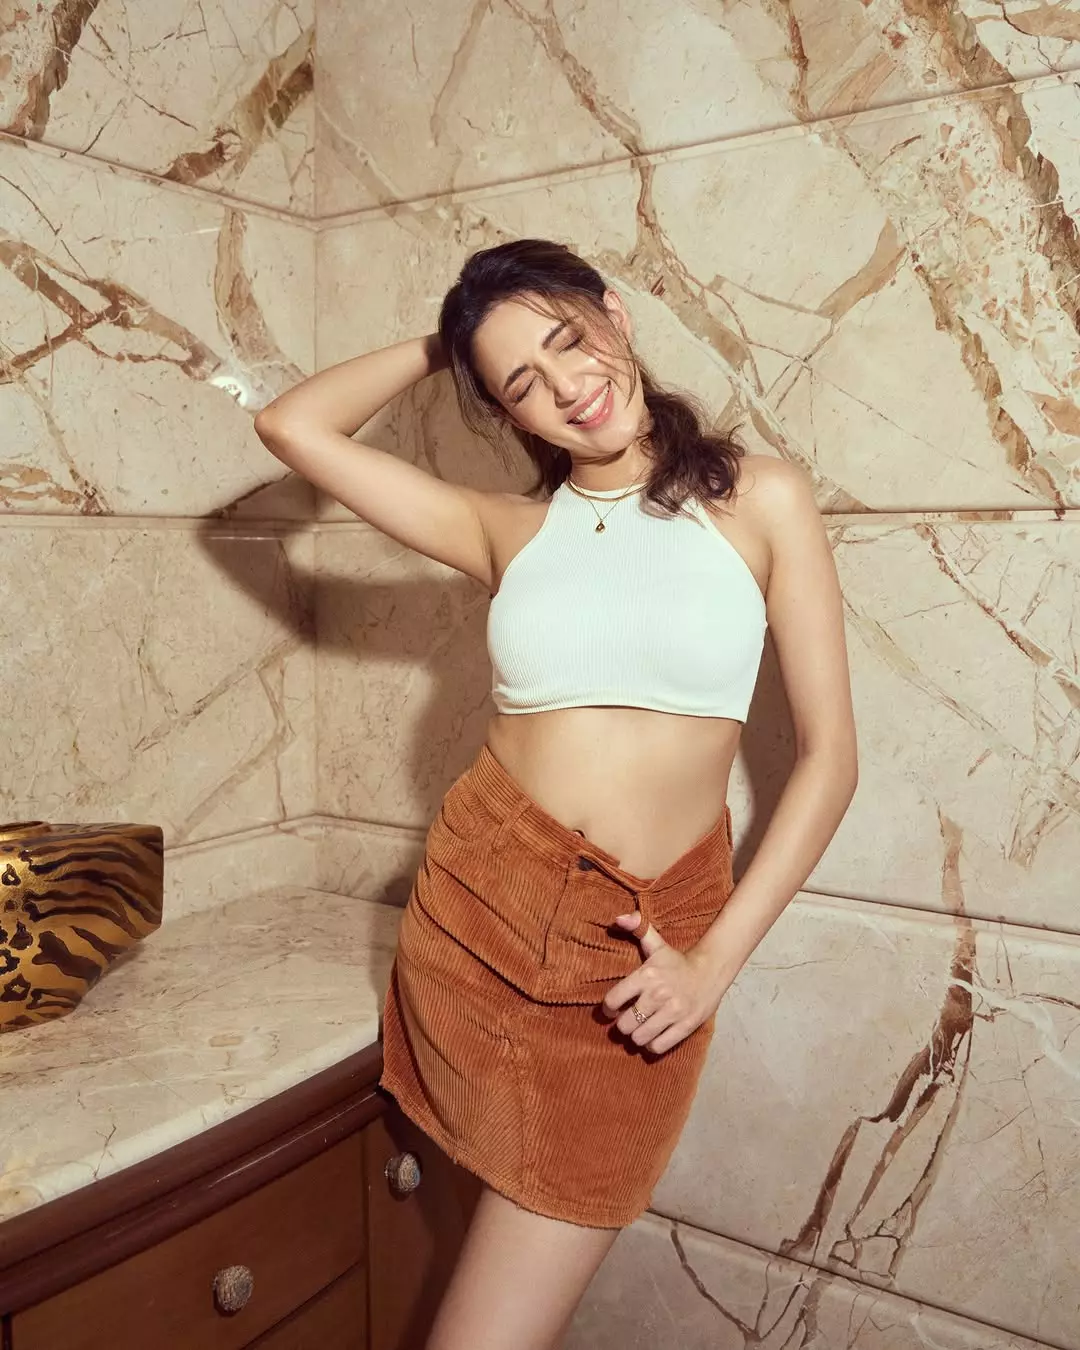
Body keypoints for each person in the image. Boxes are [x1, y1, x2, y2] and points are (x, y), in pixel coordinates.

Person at [254, 238, 857, 1350]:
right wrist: (453, 339)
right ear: (505, 414)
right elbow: (292, 427)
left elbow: (829, 759)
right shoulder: (507, 529)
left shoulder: (761, 498)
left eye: (569, 339)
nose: (569, 386)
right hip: (472, 920)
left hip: (631, 959)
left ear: (615, 316)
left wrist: (712, 963)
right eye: (522, 383)